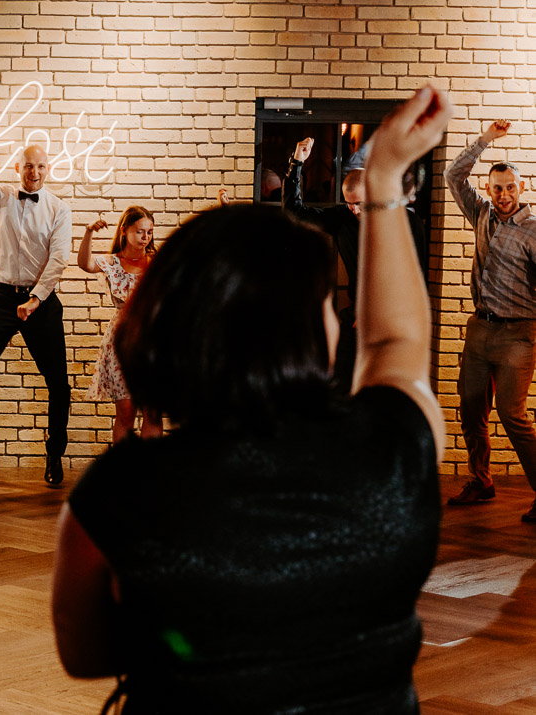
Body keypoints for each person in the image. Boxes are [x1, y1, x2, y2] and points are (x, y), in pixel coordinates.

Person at [52, 85, 449, 713]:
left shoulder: (120, 489)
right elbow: (396, 340)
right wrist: (384, 179)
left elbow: (84, 654)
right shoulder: (389, 452)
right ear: (307, 333)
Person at [0, 107, 73, 486]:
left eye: (40, 166)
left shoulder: (59, 209)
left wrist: (36, 299)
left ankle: (54, 454)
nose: (34, 172)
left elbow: (59, 260)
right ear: (18, 167)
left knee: (59, 384)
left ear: (48, 170)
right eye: (28, 166)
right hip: (3, 297)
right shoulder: (3, 197)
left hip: (41, 301)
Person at [443, 119, 536, 520]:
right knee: (470, 409)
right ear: (488, 189)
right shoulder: (481, 214)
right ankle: (481, 481)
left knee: (512, 416)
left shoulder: (533, 231)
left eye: (510, 187)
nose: (504, 195)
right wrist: (484, 141)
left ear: (521, 187)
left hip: (518, 335)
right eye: (497, 188)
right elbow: (453, 175)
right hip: (480, 329)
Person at [284, 136, 428, 393]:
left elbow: (415, 279)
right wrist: (297, 164)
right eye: (349, 204)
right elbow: (295, 213)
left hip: (393, 325)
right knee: (342, 386)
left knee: (387, 391)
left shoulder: (407, 223)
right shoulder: (343, 218)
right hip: (355, 320)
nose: (354, 210)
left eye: (359, 204)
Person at [77, 207, 163, 443]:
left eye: (149, 232)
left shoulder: (157, 262)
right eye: (140, 232)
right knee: (126, 412)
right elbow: (85, 264)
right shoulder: (113, 262)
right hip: (123, 340)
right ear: (124, 231)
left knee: (153, 413)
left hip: (153, 340)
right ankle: (125, 466)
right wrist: (88, 232)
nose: (145, 237)